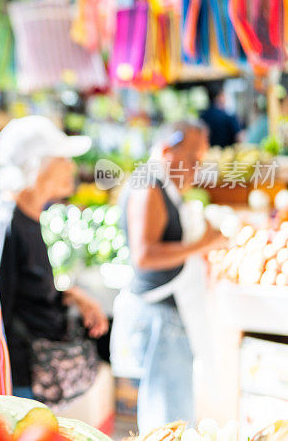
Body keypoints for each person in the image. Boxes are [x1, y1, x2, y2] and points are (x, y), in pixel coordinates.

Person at [0, 116, 109, 404]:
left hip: (28, 377)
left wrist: (70, 296)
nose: (72, 167)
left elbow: (24, 291)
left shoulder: (26, 216)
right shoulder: (5, 223)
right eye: (63, 159)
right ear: (37, 166)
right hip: (15, 381)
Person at [111, 121, 227, 433]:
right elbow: (145, 255)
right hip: (159, 318)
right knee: (168, 422)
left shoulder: (161, 185)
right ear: (166, 151)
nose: (197, 169)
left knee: (172, 418)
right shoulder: (148, 186)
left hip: (166, 317)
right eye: (192, 159)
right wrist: (203, 243)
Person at [199, 81, 241, 147]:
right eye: (224, 95)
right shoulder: (228, 116)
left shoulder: (202, 117)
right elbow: (239, 138)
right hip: (228, 154)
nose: (225, 98)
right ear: (219, 97)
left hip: (208, 153)